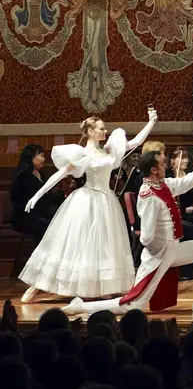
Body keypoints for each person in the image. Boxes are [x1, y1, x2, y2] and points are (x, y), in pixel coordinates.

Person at [62, 144, 193, 316]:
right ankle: (81, 307)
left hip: (172, 250)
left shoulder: (163, 185)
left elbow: (189, 180)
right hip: (159, 254)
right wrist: (159, 253)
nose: (166, 166)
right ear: (154, 170)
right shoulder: (148, 195)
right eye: (163, 164)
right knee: (133, 305)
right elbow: (147, 236)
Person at [20, 109, 157, 303]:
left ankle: (100, 287)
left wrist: (151, 122)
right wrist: (36, 195)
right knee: (71, 243)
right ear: (91, 131)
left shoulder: (109, 150)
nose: (105, 131)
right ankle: (36, 286)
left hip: (106, 201)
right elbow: (60, 175)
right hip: (87, 200)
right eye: (101, 129)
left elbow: (135, 143)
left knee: (103, 246)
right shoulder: (82, 154)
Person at [10, 145, 62, 241]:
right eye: (41, 156)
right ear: (31, 157)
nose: (44, 159)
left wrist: (65, 195)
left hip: (41, 214)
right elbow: (38, 198)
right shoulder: (22, 175)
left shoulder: (41, 174)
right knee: (51, 227)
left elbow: (47, 196)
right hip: (25, 217)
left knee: (61, 223)